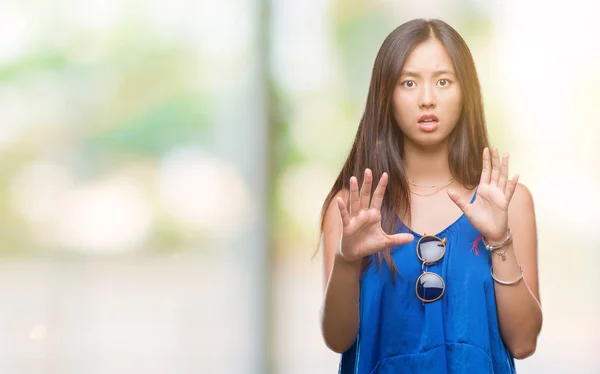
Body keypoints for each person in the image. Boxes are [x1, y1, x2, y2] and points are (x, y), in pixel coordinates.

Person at [318, 18, 542, 373]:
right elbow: (338, 339)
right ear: (386, 95)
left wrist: (500, 240)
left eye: (443, 81)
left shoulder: (509, 202)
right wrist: (347, 261)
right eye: (408, 83)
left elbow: (524, 342)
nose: (426, 99)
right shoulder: (350, 209)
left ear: (465, 91)